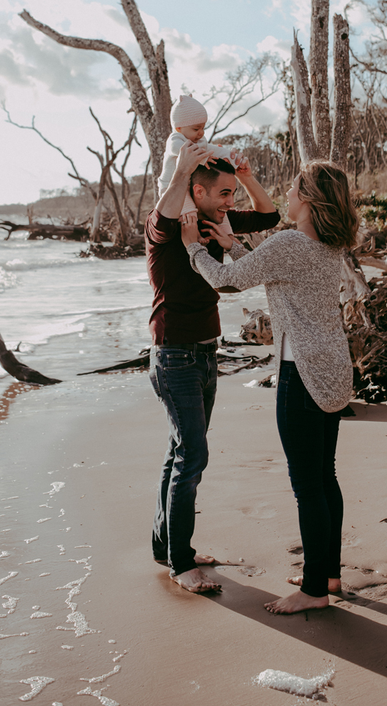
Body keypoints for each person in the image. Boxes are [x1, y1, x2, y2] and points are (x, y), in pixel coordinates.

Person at [181, 161, 358, 614]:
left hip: (301, 374)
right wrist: (235, 244)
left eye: (295, 187)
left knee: (307, 486)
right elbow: (272, 271)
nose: (288, 192)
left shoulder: (289, 242)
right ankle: (329, 574)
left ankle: (315, 590)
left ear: (309, 200)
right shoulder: (327, 243)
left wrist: (193, 250)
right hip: (333, 367)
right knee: (325, 476)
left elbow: (227, 281)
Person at [146, 139, 280, 594]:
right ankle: (181, 564)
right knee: (192, 454)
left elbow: (269, 216)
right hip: (174, 355)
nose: (231, 202)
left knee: (180, 450)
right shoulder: (167, 226)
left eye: (232, 195)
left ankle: (167, 546)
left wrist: (243, 175)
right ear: (198, 191)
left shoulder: (215, 220)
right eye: (223, 193)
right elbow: (163, 213)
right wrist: (182, 169)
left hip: (206, 353)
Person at [158, 94, 239, 238]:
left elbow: (214, 149)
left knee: (222, 215)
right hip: (171, 189)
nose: (201, 133)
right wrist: (204, 158)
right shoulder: (175, 139)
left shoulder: (199, 140)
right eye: (196, 129)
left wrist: (232, 157)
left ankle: (229, 236)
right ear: (179, 128)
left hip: (188, 186)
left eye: (203, 128)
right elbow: (181, 149)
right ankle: (195, 237)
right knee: (189, 213)